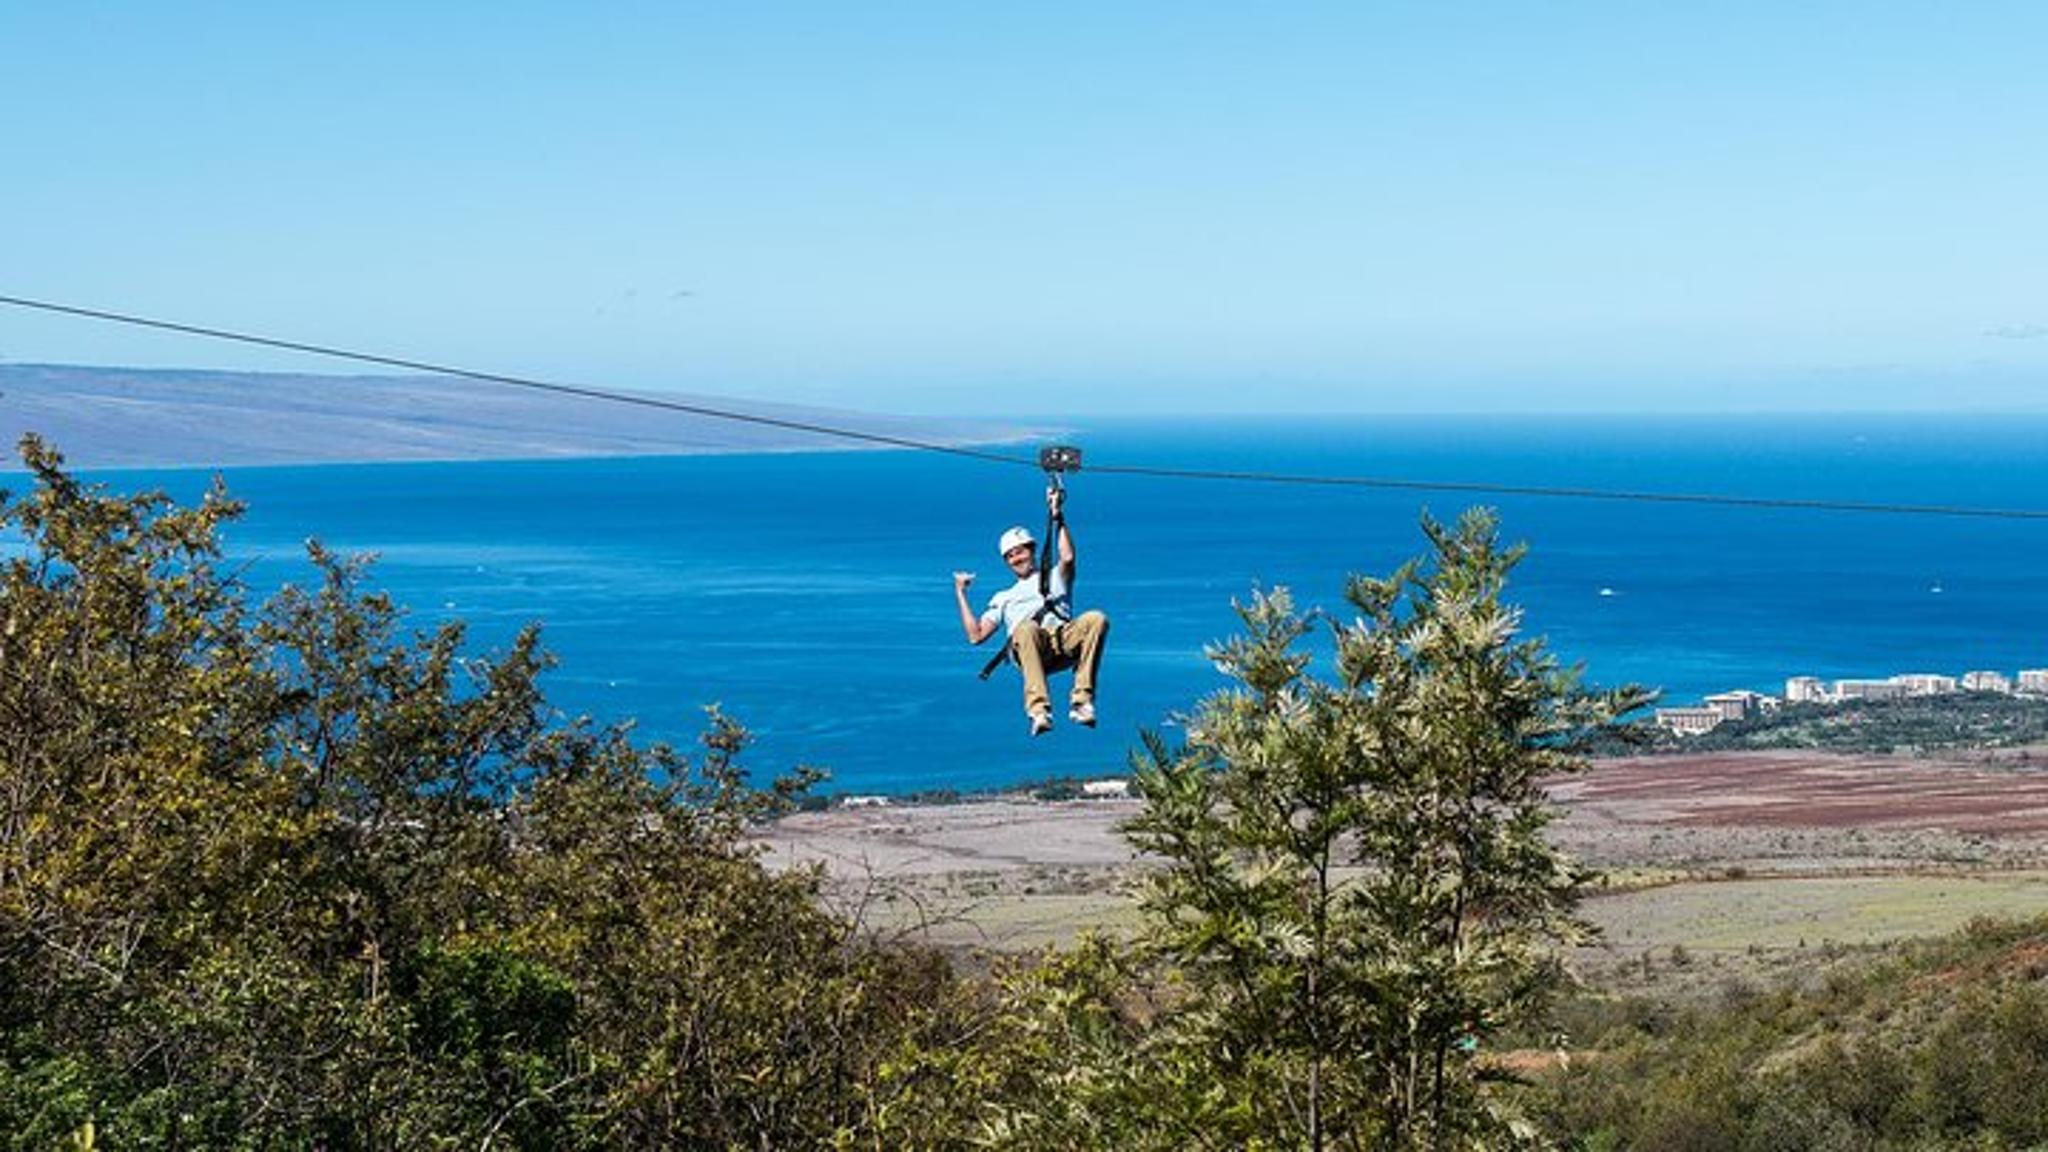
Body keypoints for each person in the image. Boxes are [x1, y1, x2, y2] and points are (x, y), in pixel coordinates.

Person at [953, 485, 1110, 736]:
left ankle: (1082, 701)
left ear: (1032, 550)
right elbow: (976, 636)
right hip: (1029, 648)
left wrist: (1057, 514)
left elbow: (1067, 557)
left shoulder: (1055, 576)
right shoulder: (1004, 597)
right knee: (1026, 629)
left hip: (1061, 641)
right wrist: (960, 592)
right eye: (1010, 556)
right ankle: (1039, 711)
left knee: (1096, 618)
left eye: (1021, 551)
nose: (1017, 558)